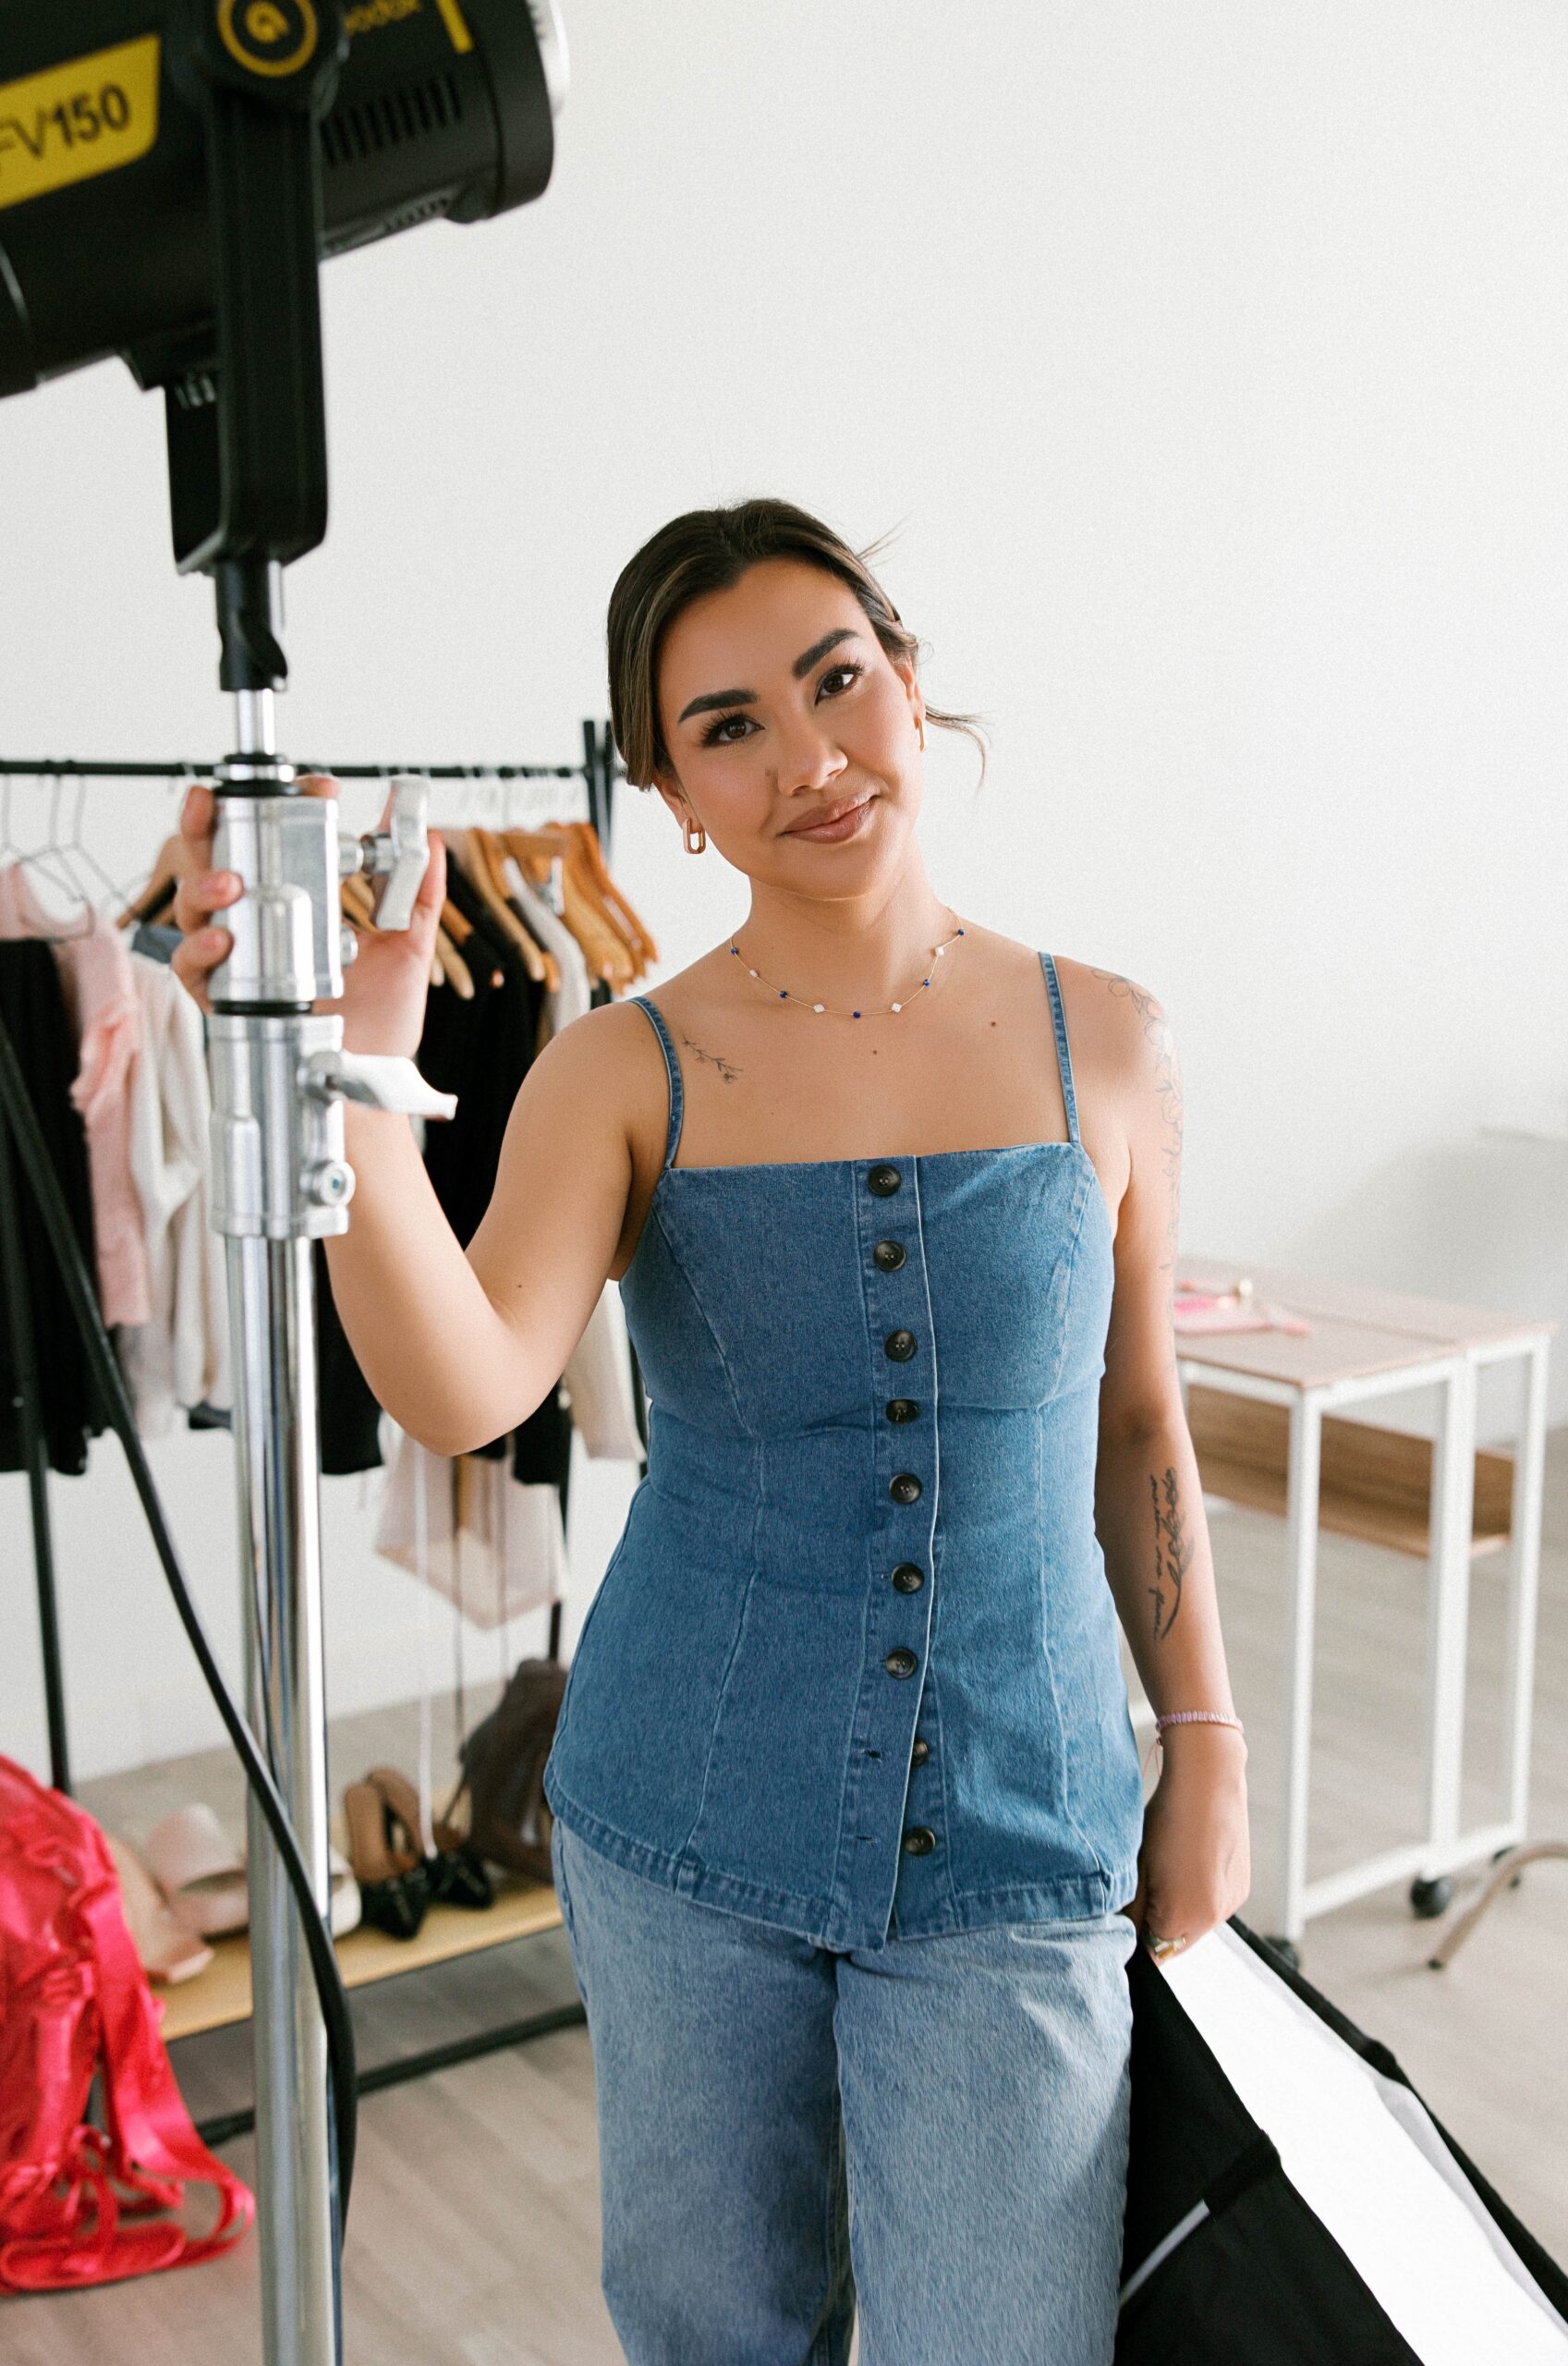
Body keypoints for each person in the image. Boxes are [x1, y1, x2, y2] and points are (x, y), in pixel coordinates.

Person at [172, 497, 1251, 2366]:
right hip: (679, 1820)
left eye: (836, 682)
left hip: (1022, 1822)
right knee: (711, 2335)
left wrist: (1211, 1736)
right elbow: (465, 1386)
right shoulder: (622, 1061)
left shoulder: (1112, 1037)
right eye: (726, 724)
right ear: (670, 787)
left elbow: (1138, 1423)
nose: (805, 756)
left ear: (910, 686)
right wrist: (355, 1086)